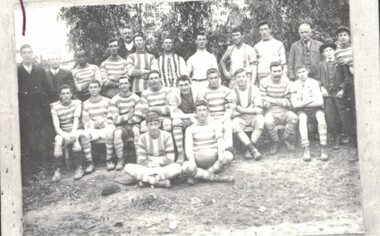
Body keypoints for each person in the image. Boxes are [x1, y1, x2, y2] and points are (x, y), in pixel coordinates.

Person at [17, 44, 51, 185]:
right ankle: (28, 174)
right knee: (27, 141)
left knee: (40, 139)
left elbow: (47, 88)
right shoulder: (17, 70)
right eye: (24, 52)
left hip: (39, 110)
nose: (27, 55)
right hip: (25, 111)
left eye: (29, 52)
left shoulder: (39, 69)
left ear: (32, 54)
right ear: (21, 55)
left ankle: (42, 170)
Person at [124, 112, 182, 188]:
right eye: (150, 124)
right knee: (127, 167)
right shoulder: (142, 138)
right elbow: (141, 161)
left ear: (159, 124)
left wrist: (150, 158)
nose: (153, 127)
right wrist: (154, 164)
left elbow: (170, 159)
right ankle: (158, 182)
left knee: (177, 167)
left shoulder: (167, 136)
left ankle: (148, 181)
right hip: (148, 169)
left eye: (155, 124)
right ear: (147, 126)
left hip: (163, 168)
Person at [182, 100, 235, 184]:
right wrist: (192, 161)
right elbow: (188, 147)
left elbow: (220, 139)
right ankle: (217, 178)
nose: (202, 113)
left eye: (204, 110)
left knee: (228, 155)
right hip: (198, 162)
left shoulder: (215, 125)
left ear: (208, 112)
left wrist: (221, 153)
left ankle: (201, 175)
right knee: (185, 167)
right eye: (199, 110)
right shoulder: (190, 129)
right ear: (195, 113)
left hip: (214, 160)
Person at [290, 66, 328, 161]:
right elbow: (295, 105)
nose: (302, 74)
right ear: (296, 74)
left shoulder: (314, 83)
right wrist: (310, 100)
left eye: (303, 71)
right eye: (299, 72)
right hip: (302, 110)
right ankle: (306, 148)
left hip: (315, 109)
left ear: (307, 71)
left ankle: (323, 146)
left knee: (321, 117)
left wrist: (303, 103)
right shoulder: (294, 85)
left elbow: (320, 102)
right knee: (302, 119)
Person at [260, 62, 298, 154]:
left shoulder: (286, 81)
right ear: (270, 71)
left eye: (279, 71)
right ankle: (275, 142)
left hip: (285, 110)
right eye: (274, 71)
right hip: (270, 111)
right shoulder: (264, 82)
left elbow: (288, 102)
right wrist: (280, 101)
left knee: (294, 118)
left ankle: (283, 139)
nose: (277, 73)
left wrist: (270, 99)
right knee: (268, 121)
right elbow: (263, 102)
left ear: (282, 71)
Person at [79, 80, 115, 173]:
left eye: (95, 87)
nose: (93, 89)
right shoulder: (85, 103)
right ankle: (89, 162)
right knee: (84, 135)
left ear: (99, 88)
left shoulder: (108, 101)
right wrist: (97, 123)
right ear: (88, 90)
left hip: (106, 126)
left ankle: (109, 160)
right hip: (93, 128)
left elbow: (110, 117)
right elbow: (85, 121)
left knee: (110, 131)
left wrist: (102, 122)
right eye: (91, 87)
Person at [108, 76, 144, 170]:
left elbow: (138, 118)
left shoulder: (136, 98)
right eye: (121, 84)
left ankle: (139, 158)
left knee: (136, 130)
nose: (124, 85)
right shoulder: (114, 100)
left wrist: (123, 118)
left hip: (133, 125)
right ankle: (120, 159)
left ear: (129, 84)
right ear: (118, 86)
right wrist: (128, 115)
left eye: (125, 83)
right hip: (121, 127)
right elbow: (115, 120)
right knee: (117, 133)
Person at [316, 42, 346, 150]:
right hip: (328, 94)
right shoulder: (321, 64)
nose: (328, 53)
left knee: (342, 114)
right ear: (323, 54)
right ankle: (335, 138)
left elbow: (346, 77)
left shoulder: (340, 63)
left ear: (334, 51)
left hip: (338, 93)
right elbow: (318, 79)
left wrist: (342, 89)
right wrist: (322, 88)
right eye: (326, 51)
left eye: (330, 50)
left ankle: (345, 136)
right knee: (330, 116)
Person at [50, 85, 84, 181]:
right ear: (60, 96)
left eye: (68, 93)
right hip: (63, 131)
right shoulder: (55, 108)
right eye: (63, 94)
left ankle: (79, 168)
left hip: (75, 129)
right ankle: (57, 171)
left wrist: (72, 133)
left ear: (72, 94)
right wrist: (65, 135)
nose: (66, 96)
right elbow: (57, 128)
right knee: (58, 140)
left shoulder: (77, 103)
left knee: (75, 139)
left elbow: (76, 119)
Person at [231, 68, 264, 160]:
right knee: (234, 124)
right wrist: (245, 111)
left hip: (253, 116)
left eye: (243, 76)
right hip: (240, 118)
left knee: (260, 120)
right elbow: (232, 113)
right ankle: (253, 149)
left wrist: (241, 110)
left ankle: (249, 149)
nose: (241, 79)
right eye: (238, 77)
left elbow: (258, 110)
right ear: (235, 79)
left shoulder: (254, 89)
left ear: (247, 78)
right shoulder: (232, 92)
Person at [334, 26, 357, 160]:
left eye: (345, 35)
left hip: (354, 80)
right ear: (337, 38)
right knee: (347, 114)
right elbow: (341, 73)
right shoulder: (337, 53)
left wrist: (350, 63)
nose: (342, 37)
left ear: (349, 36)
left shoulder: (355, 48)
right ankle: (353, 142)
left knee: (356, 112)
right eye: (340, 35)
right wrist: (342, 87)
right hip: (345, 82)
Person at [199, 68, 234, 150]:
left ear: (219, 78)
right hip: (210, 118)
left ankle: (229, 148)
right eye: (211, 78)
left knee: (227, 125)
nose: (214, 80)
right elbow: (204, 110)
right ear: (207, 79)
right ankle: (220, 150)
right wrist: (211, 119)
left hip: (224, 118)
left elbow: (229, 111)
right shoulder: (203, 93)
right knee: (216, 126)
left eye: (216, 78)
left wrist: (221, 120)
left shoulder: (226, 91)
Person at [169, 75, 197, 164]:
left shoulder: (196, 93)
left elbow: (202, 109)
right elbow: (173, 114)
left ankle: (196, 153)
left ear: (190, 84)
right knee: (176, 121)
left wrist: (193, 117)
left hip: (196, 119)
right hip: (185, 119)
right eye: (181, 85)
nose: (184, 87)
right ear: (177, 85)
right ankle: (181, 153)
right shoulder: (174, 95)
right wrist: (190, 116)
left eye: (186, 84)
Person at [187, 31, 218, 98]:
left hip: (208, 84)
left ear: (206, 41)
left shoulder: (211, 57)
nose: (202, 42)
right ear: (196, 41)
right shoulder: (191, 58)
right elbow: (187, 75)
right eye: (199, 40)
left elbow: (216, 73)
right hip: (195, 85)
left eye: (204, 39)